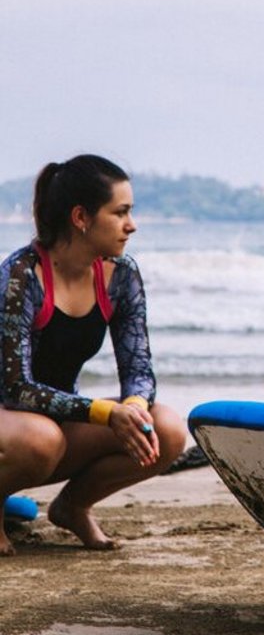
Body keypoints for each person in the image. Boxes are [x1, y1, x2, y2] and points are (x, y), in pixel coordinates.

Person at [0, 155, 186, 555]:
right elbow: (15, 388)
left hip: (57, 422)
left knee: (164, 429)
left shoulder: (120, 276)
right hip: (12, 421)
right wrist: (104, 413)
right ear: (81, 217)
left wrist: (133, 406)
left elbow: (139, 369)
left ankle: (73, 506)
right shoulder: (21, 277)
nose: (131, 225)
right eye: (120, 213)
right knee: (40, 439)